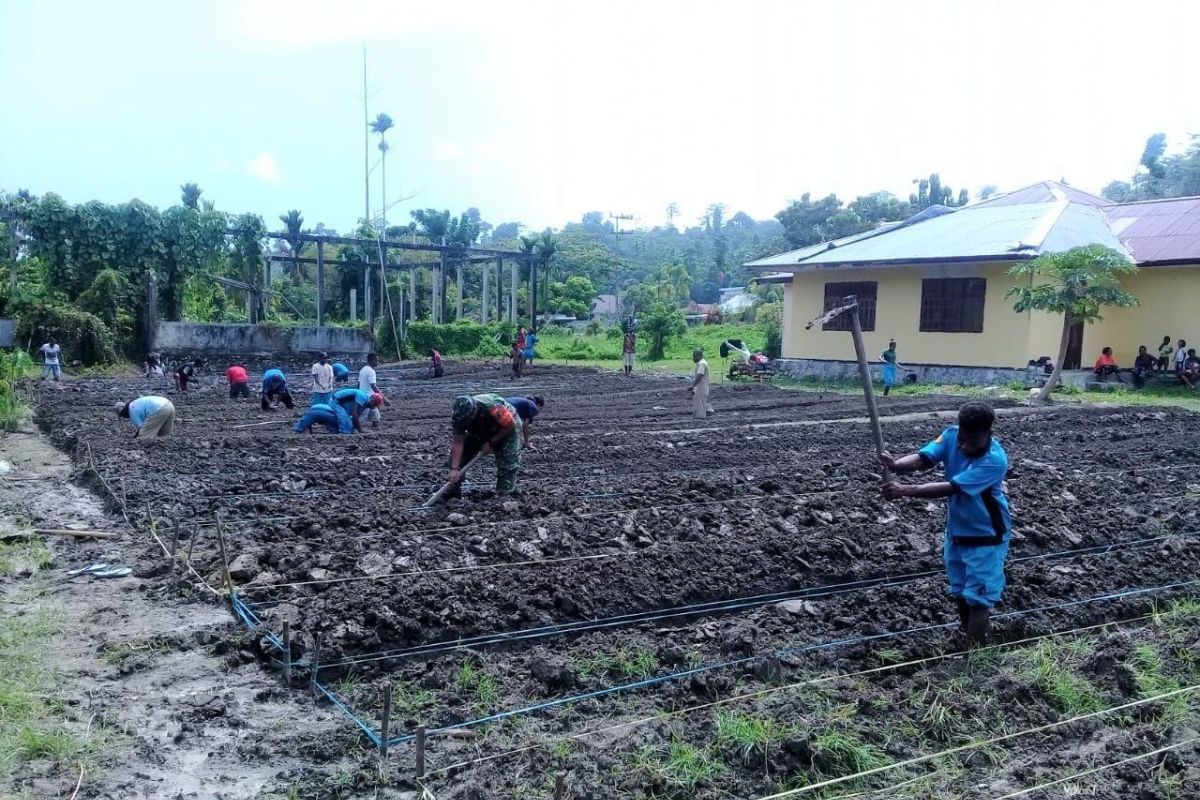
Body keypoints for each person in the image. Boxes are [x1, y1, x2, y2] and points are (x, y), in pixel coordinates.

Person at [879, 401, 1011, 646]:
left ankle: (975, 656)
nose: (963, 446)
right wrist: (895, 465)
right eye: (962, 439)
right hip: (958, 531)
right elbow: (923, 459)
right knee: (961, 590)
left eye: (972, 443)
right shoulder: (951, 435)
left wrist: (906, 490)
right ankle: (968, 636)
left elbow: (951, 488)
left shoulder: (995, 461)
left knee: (979, 597)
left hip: (986, 536)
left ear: (988, 434)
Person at [449, 394, 522, 494]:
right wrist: (455, 468)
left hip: (507, 425)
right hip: (481, 427)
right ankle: (454, 490)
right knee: (460, 454)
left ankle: (505, 492)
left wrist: (492, 442)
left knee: (508, 459)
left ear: (475, 410)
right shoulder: (458, 416)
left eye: (469, 419)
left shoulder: (493, 407)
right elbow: (458, 441)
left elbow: (510, 426)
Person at [358, 354, 384, 427]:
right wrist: (383, 398)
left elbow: (358, 384)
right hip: (369, 398)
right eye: (377, 360)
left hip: (362, 396)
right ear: (372, 360)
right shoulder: (371, 371)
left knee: (375, 416)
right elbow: (373, 386)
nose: (378, 362)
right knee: (364, 417)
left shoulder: (363, 370)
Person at [690, 348, 713, 420]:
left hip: (701, 389)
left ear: (698, 356)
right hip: (702, 388)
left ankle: (700, 423)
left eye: (694, 356)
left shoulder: (701, 364)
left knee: (700, 411)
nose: (693, 358)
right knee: (701, 406)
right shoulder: (703, 362)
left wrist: (693, 386)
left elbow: (699, 375)